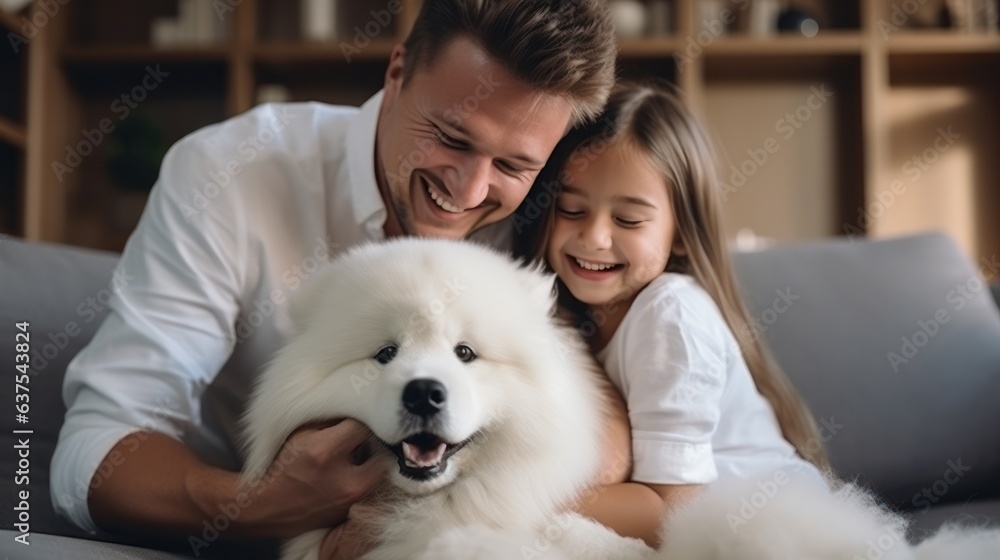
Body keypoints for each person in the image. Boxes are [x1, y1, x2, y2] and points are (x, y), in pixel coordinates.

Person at [50, 0, 624, 555]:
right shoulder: (228, 175)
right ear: (397, 73)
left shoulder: (558, 219)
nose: (468, 191)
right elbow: (94, 449)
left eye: (512, 166)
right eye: (451, 138)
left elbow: (637, 414)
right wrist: (258, 504)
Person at [513, 80, 832, 547]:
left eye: (628, 220)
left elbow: (672, 512)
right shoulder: (562, 313)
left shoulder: (672, 316)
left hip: (782, 532)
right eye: (571, 208)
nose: (595, 237)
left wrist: (506, 499)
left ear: (681, 234)